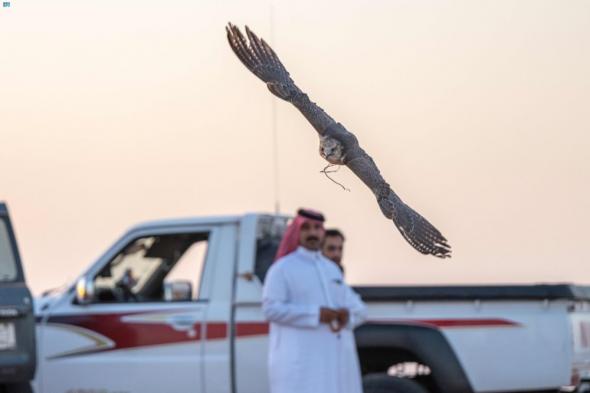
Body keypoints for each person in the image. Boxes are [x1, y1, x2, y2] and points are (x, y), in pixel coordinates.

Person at [263, 208, 366, 393]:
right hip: (299, 365)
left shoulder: (331, 269)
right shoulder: (282, 269)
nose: (312, 233)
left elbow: (357, 308)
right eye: (306, 228)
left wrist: (346, 316)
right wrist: (315, 314)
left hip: (331, 364)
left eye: (317, 228)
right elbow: (271, 309)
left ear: (322, 232)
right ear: (297, 232)